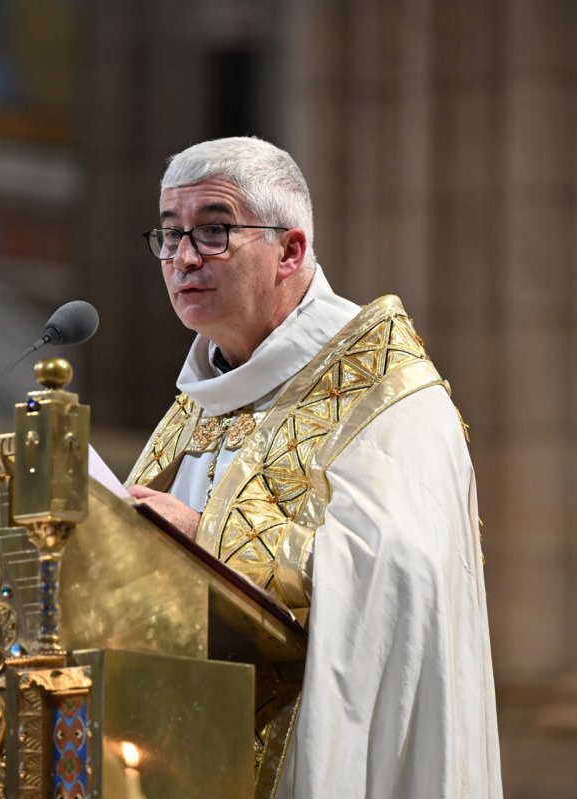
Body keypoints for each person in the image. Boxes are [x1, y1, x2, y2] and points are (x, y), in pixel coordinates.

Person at [125, 137, 502, 798]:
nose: (184, 257)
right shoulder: (196, 407)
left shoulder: (384, 386)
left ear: (290, 250)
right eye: (170, 234)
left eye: (213, 230)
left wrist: (205, 537)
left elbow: (400, 578)